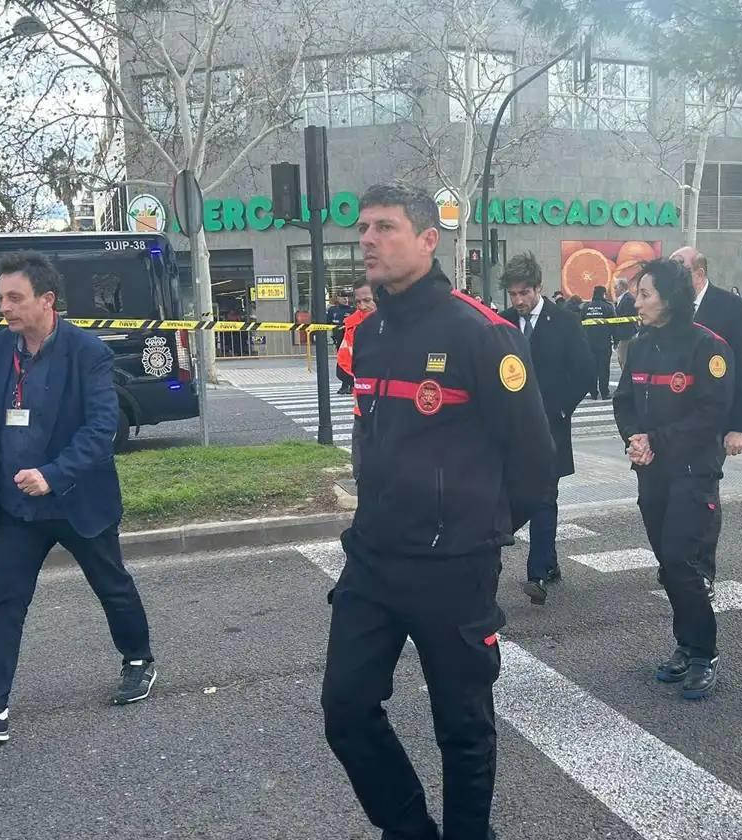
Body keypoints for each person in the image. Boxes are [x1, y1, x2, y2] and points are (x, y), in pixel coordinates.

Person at [323, 184, 555, 840]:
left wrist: (481, 533)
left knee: (463, 729)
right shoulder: (365, 334)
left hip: (454, 567)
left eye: (385, 227)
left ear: (429, 239)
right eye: (363, 227)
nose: (367, 238)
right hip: (372, 560)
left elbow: (535, 461)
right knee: (345, 711)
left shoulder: (483, 332)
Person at [0, 251, 156, 744]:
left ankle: (138, 660)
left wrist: (53, 475)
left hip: (75, 498)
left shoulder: (87, 352)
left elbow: (101, 430)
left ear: (47, 300)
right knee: (4, 602)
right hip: (19, 504)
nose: (5, 307)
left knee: (112, 585)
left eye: (15, 298)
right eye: (1, 298)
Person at [613, 258, 733, 701]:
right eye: (637, 294)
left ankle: (704, 652)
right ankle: (685, 644)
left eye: (645, 294)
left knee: (684, 563)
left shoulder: (708, 347)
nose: (637, 302)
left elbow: (710, 414)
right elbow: (623, 400)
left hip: (693, 473)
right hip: (652, 473)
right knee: (670, 566)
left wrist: (657, 440)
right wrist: (634, 439)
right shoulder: (642, 345)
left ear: (670, 298)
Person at [500, 253, 593, 606]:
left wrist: (560, 409)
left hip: (550, 426)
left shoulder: (565, 322)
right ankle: (549, 562)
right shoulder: (503, 322)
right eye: (513, 294)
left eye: (525, 293)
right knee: (512, 495)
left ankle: (536, 572)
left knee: (543, 496)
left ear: (538, 287)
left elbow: (584, 371)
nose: (519, 301)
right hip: (511, 429)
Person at [670, 246, 742, 599]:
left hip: (714, 420)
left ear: (699, 272)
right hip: (674, 423)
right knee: (675, 491)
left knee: (703, 491)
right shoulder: (671, 307)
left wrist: (740, 425)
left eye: (680, 270)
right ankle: (677, 561)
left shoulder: (731, 308)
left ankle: (703, 568)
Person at [337, 277, 377, 479]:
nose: (362, 306)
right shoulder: (353, 326)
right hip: (363, 404)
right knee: (361, 466)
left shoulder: (400, 323)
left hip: (395, 405)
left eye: (367, 300)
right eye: (358, 302)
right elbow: (343, 365)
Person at [581, 286, 616, 399]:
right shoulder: (608, 307)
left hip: (588, 343)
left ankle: (593, 393)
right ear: (603, 294)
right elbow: (614, 325)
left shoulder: (586, 307)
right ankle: (604, 393)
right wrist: (615, 340)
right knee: (604, 369)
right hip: (604, 343)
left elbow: (580, 325)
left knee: (591, 369)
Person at [612, 276, 638, 369]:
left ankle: (627, 381)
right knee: (621, 359)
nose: (614, 289)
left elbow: (626, 317)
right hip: (621, 335)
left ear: (622, 287)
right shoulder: (620, 300)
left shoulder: (629, 299)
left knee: (625, 360)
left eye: (616, 287)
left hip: (627, 335)